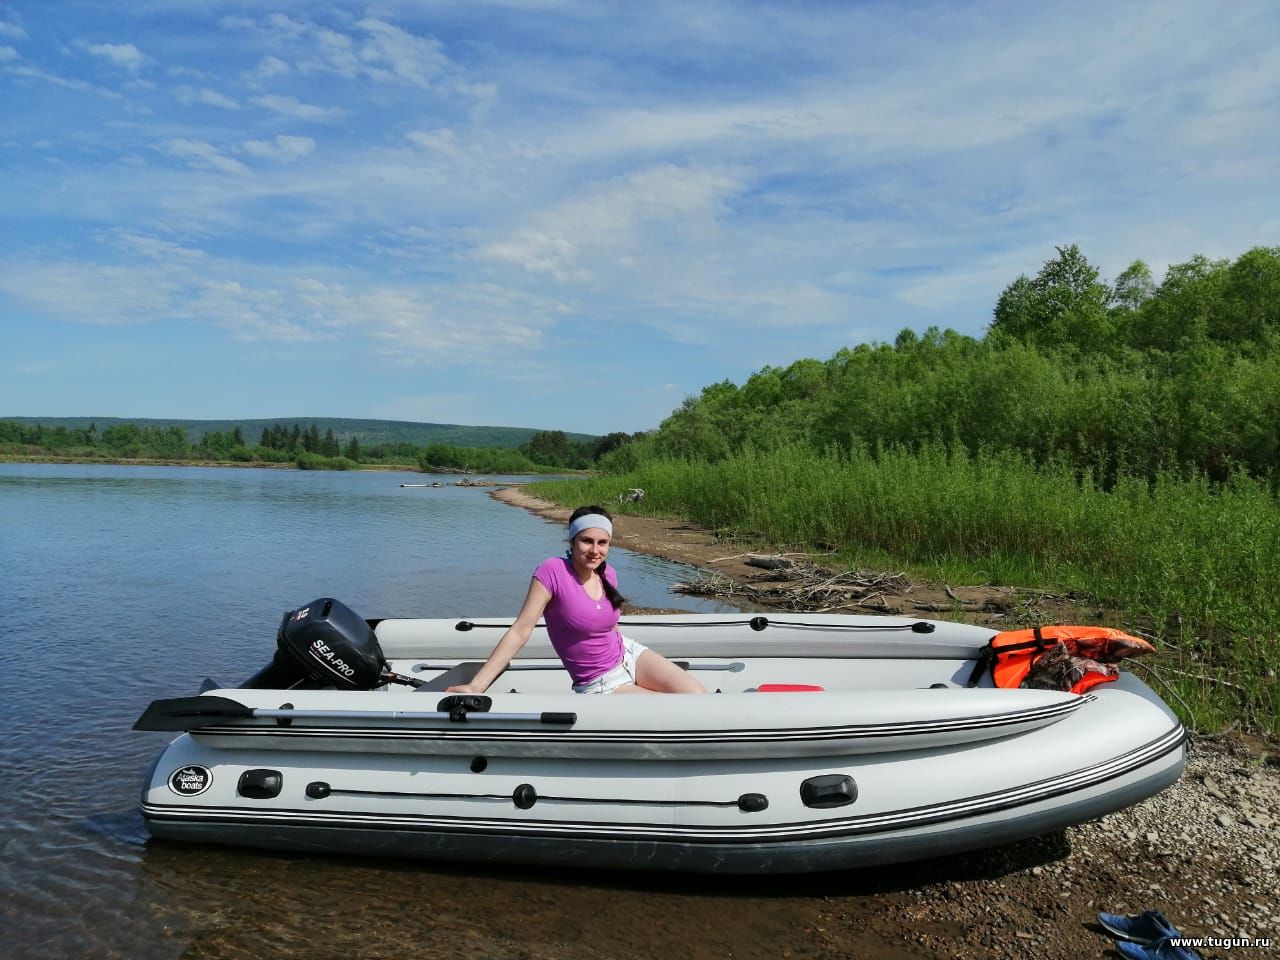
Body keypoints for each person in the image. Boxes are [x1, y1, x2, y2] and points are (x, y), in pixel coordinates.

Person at [447, 505, 705, 695]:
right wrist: (476, 686)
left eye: (602, 543)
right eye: (587, 541)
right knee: (677, 709)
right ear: (572, 541)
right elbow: (521, 630)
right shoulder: (552, 571)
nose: (595, 550)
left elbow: (610, 626)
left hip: (628, 655)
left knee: (696, 696)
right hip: (599, 681)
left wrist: (634, 674)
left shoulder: (609, 574)